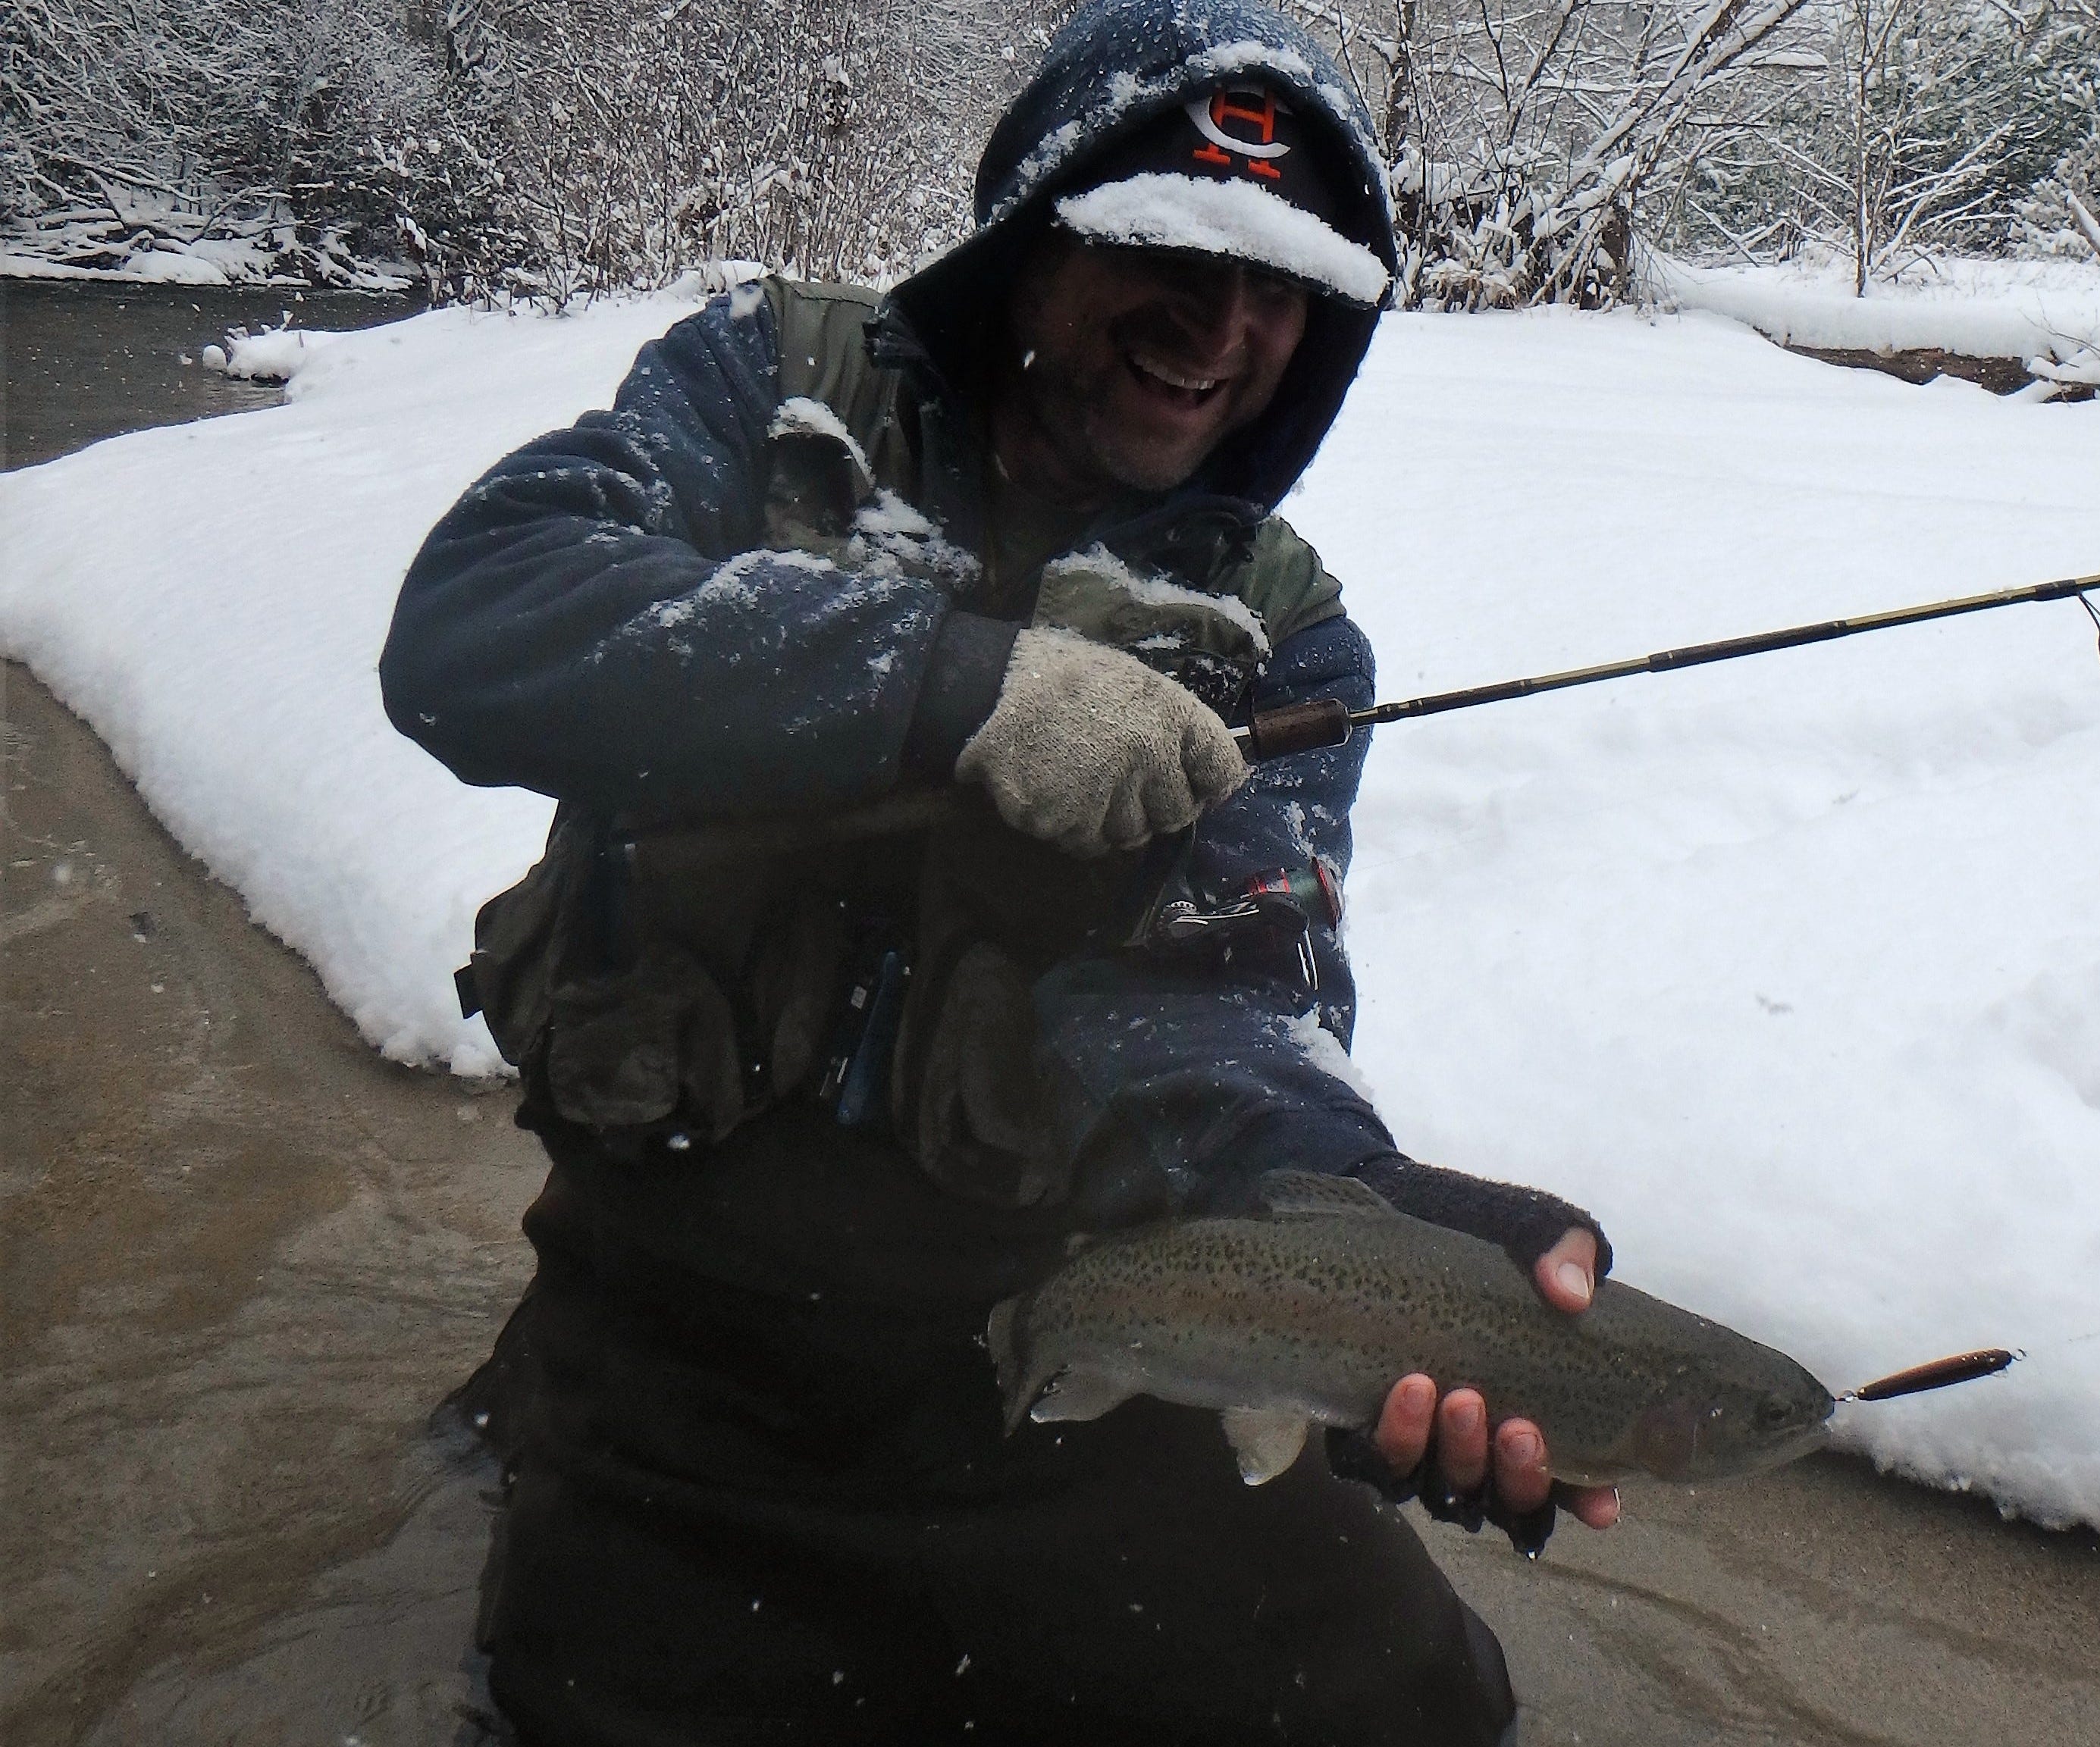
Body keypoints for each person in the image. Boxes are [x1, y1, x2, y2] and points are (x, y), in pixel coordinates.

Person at [384, 2, 1616, 1740]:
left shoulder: (1283, 633)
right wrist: (949, 687)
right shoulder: (773, 392)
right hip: (678, 1355)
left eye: (1286, 287)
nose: (1224, 326)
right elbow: (476, 625)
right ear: (1028, 244)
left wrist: (1362, 1234)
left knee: (1418, 1707)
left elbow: (1228, 1003)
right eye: (1166, 252)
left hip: (1050, 1357)